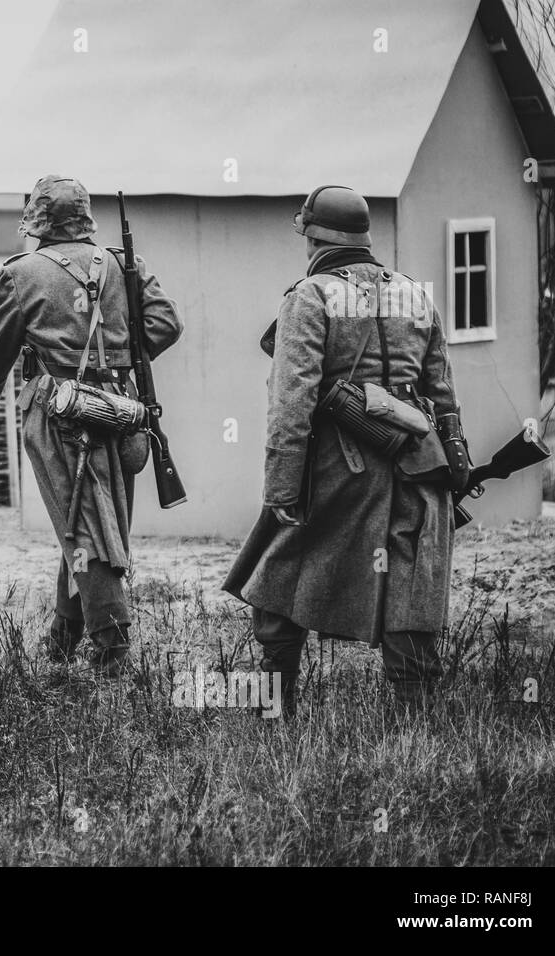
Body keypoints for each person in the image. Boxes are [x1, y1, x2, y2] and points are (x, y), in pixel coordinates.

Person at [223, 185, 470, 715]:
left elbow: (292, 403)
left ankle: (275, 714)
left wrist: (283, 490)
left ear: (313, 237)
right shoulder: (413, 293)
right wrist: (455, 470)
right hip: (418, 465)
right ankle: (415, 728)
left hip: (336, 471)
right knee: (411, 594)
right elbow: (443, 397)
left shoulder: (309, 296)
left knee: (277, 578)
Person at [0, 175, 183, 676]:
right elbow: (166, 323)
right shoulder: (123, 263)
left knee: (86, 525)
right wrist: (122, 362)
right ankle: (63, 639)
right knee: (88, 519)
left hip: (59, 411)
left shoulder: (23, 274)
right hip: (119, 409)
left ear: (38, 222)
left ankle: (112, 649)